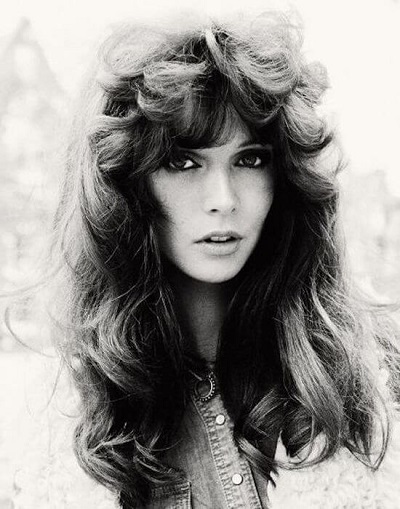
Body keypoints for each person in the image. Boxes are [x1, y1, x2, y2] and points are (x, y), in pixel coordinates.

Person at [12, 9, 400, 509]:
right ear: (127, 184)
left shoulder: (376, 373)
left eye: (250, 159)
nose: (223, 199)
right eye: (182, 161)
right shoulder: (57, 419)